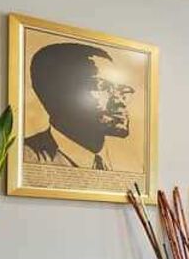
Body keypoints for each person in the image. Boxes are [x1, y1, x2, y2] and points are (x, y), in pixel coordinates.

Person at [23, 42, 134, 171]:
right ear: (59, 94)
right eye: (102, 86)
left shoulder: (129, 164)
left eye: (122, 90)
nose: (120, 100)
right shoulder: (26, 157)